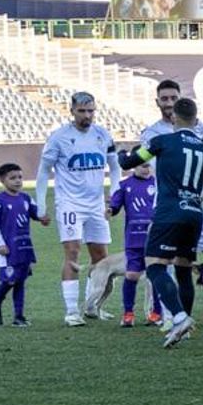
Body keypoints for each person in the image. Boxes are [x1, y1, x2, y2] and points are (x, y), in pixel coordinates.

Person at [116, 98, 203, 348]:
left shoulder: (162, 141)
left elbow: (128, 163)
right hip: (194, 212)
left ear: (174, 118)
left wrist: (120, 152)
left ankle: (179, 317)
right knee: (183, 268)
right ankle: (185, 327)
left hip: (169, 211)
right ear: (196, 119)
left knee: (154, 266)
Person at [139, 79, 203, 328]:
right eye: (164, 99)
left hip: (197, 203)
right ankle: (170, 315)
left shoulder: (197, 129)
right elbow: (147, 163)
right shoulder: (151, 133)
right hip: (168, 204)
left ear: (180, 101)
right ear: (157, 102)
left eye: (173, 98)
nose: (169, 103)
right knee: (166, 260)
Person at [35, 91, 119, 326]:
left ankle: (91, 306)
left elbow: (115, 168)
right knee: (72, 252)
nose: (87, 115)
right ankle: (72, 311)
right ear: (71, 111)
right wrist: (41, 204)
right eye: (82, 111)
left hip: (96, 204)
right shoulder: (59, 137)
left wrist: (115, 195)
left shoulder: (103, 135)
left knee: (101, 256)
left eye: (91, 111)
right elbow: (43, 171)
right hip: (69, 203)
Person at [106, 158, 156, 327]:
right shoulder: (125, 185)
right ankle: (128, 313)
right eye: (143, 166)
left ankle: (157, 313)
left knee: (156, 275)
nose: (146, 169)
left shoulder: (157, 184)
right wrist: (110, 209)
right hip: (134, 238)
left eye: (148, 166)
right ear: (134, 166)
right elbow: (115, 204)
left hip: (153, 238)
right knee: (132, 275)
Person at [0, 162, 41, 327]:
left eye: (20, 177)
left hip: (24, 247)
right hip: (7, 248)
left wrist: (43, 217)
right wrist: (0, 244)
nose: (18, 181)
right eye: (12, 178)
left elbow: (37, 213)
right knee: (9, 280)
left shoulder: (26, 198)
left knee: (20, 281)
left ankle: (19, 317)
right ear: (3, 180)